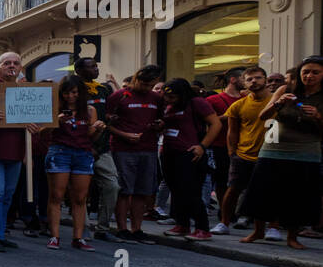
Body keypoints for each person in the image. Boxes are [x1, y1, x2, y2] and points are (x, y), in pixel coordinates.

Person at [240, 56, 323, 249]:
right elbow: (263, 116)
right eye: (305, 72)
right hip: (273, 148)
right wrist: (278, 104)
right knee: (262, 190)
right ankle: (258, 230)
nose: (309, 76)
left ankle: (292, 237)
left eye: (315, 72)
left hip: (306, 151)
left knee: (298, 195)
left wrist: (318, 117)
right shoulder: (285, 90)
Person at [0, 51, 41, 252]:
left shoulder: (27, 91)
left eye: (15, 63)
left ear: (21, 68)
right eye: (7, 63)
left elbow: (37, 122)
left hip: (16, 152)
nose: (11, 66)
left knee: (7, 194)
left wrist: (34, 131)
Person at [39, 76, 107, 250]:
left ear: (80, 93)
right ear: (61, 93)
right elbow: (41, 133)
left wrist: (98, 129)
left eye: (74, 92)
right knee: (56, 196)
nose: (71, 96)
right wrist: (56, 121)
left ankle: (78, 238)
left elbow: (92, 136)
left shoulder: (90, 110)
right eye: (67, 92)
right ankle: (54, 236)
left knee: (80, 198)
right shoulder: (55, 108)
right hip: (59, 152)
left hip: (83, 154)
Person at [106, 64, 165, 243]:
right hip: (123, 149)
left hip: (148, 148)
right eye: (144, 84)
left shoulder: (156, 98)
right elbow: (105, 123)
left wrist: (158, 126)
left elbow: (162, 120)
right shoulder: (119, 96)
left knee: (142, 191)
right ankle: (122, 228)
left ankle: (137, 228)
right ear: (136, 78)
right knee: (124, 191)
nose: (147, 88)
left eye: (151, 85)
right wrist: (124, 135)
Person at [158, 78, 221, 240]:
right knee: (176, 190)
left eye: (172, 97)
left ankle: (202, 228)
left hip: (190, 153)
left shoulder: (197, 103)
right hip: (169, 152)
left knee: (190, 191)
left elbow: (216, 124)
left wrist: (202, 146)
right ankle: (182, 224)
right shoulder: (168, 106)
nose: (167, 100)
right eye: (166, 97)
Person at [72, 55, 122, 242]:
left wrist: (110, 118)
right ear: (79, 71)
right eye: (91, 67)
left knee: (112, 185)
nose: (96, 69)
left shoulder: (103, 90)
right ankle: (82, 227)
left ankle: (103, 227)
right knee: (80, 190)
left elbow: (107, 114)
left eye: (96, 66)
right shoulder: (72, 90)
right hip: (79, 146)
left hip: (102, 147)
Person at [215, 66, 271, 234]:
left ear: (265, 80)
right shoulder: (238, 105)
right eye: (249, 79)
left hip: (269, 154)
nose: (254, 81)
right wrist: (232, 153)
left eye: (258, 78)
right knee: (233, 190)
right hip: (243, 154)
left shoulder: (276, 102)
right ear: (244, 83)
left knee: (269, 192)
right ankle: (224, 223)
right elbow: (232, 131)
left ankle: (272, 227)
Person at [204, 67, 244, 229]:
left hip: (244, 147)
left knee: (239, 183)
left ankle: (237, 212)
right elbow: (205, 124)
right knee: (222, 182)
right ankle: (225, 211)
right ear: (233, 79)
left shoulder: (248, 99)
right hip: (220, 146)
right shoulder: (214, 100)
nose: (248, 82)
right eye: (245, 78)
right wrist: (226, 117)